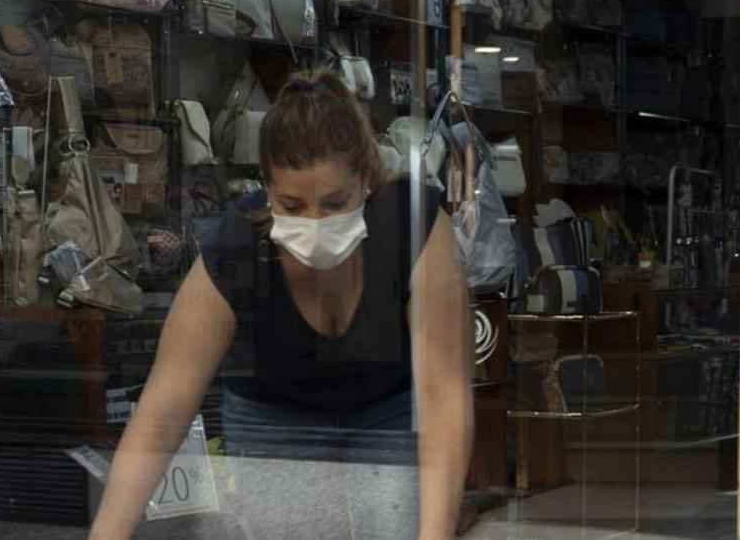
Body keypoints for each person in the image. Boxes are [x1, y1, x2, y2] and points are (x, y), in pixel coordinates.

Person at [88, 71, 474, 540]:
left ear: (366, 181)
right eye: (291, 206)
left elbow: (444, 397)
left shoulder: (412, 225)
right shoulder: (239, 243)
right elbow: (165, 405)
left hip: (387, 410)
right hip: (276, 414)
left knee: (401, 525)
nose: (314, 222)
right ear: (266, 190)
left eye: (334, 203)